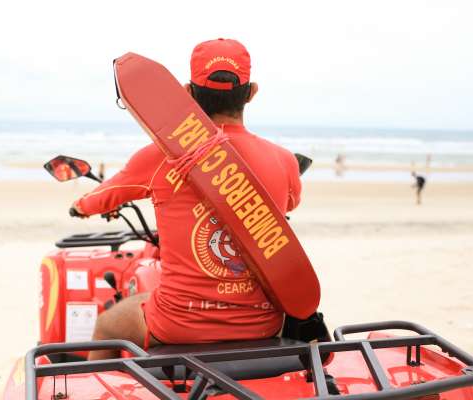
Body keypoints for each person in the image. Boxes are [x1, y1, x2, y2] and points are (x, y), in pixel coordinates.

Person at [71, 38, 302, 359]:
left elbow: (103, 197)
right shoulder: (283, 160)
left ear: (187, 93)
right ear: (251, 93)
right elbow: (289, 204)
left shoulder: (160, 156)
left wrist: (80, 207)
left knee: (109, 324)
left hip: (178, 322)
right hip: (261, 323)